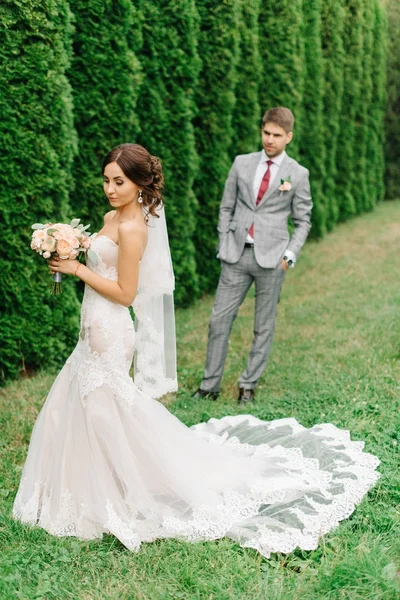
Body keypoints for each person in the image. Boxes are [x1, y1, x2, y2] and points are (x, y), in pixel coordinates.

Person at [13, 143, 379, 558]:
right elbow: (104, 261)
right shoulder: (110, 218)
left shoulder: (135, 229)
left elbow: (126, 292)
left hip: (111, 329)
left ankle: (128, 490)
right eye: (106, 180)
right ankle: (94, 483)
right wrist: (73, 248)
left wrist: (77, 268)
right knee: (90, 407)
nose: (110, 189)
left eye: (120, 181)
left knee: (104, 410)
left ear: (139, 184)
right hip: (90, 323)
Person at [194, 107, 312, 404]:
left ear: (289, 137)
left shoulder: (298, 174)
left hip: (273, 260)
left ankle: (248, 385)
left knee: (264, 324)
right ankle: (209, 385)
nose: (269, 140)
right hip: (235, 254)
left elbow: (303, 221)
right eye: (266, 133)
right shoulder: (241, 164)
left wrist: (289, 255)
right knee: (218, 320)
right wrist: (223, 243)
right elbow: (226, 207)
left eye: (276, 135)